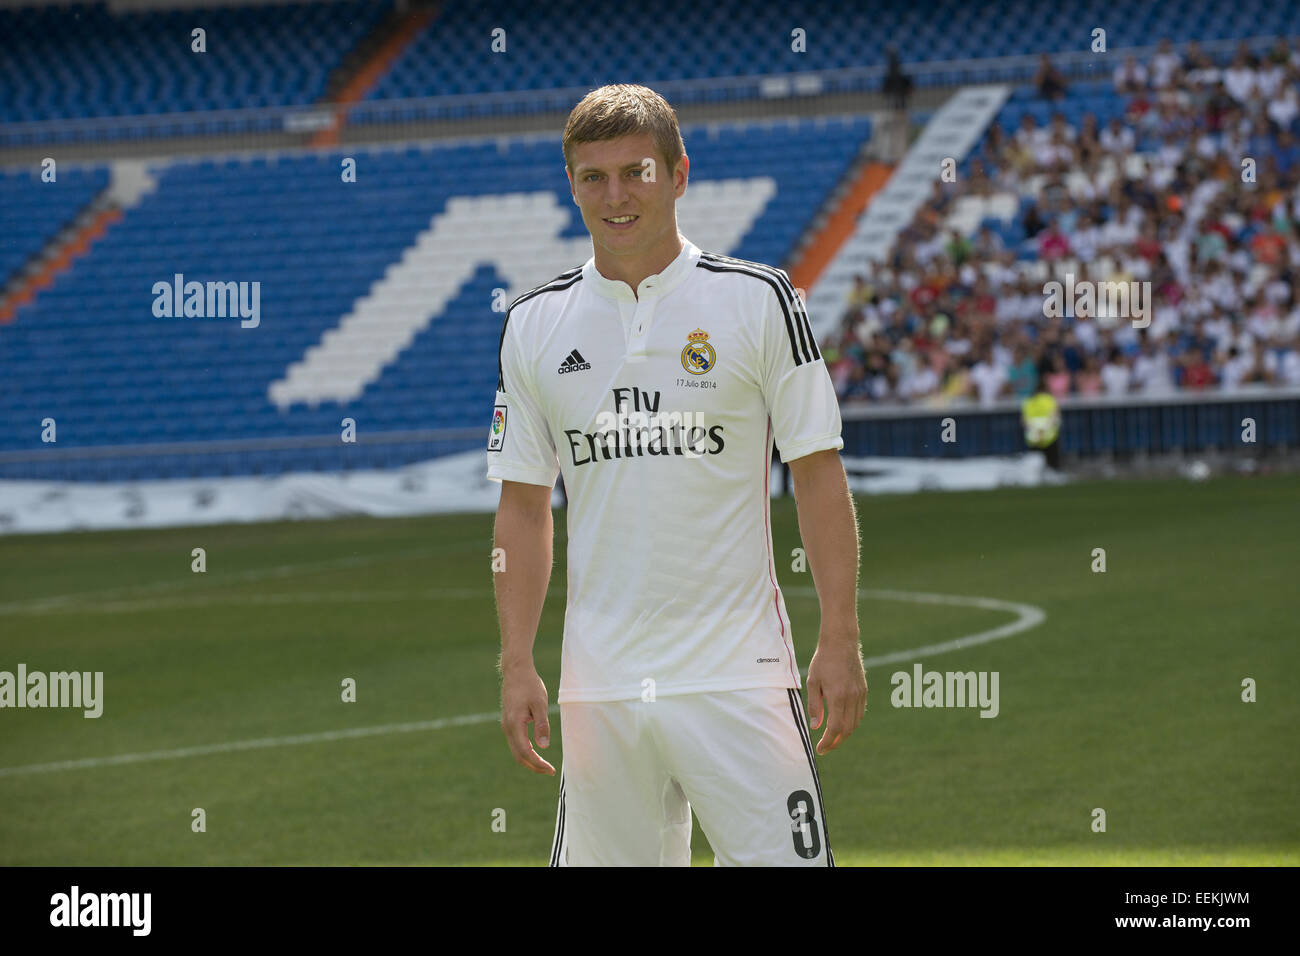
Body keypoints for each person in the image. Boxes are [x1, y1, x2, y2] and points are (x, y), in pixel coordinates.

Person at [486, 84, 866, 867]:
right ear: (571, 185)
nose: (616, 196)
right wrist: (517, 660)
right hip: (601, 687)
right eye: (594, 177)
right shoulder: (533, 323)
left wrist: (840, 633)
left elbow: (818, 472)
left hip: (739, 676)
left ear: (680, 173)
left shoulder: (758, 300)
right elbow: (524, 506)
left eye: (637, 172)